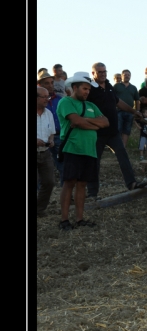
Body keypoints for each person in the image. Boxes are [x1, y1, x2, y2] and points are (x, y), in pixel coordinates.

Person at [86, 62, 147, 199]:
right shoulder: (90, 89)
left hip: (113, 132)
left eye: (104, 72)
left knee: (123, 156)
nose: (103, 74)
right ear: (93, 73)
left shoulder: (109, 86)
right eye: (100, 72)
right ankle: (92, 193)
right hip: (97, 132)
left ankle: (131, 183)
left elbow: (118, 102)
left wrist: (133, 111)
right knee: (94, 162)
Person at [57, 72, 110, 230]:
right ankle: (64, 220)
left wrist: (85, 121)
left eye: (89, 89)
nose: (87, 91)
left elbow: (106, 122)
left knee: (82, 184)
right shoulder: (66, 102)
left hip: (89, 150)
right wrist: (94, 124)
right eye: (84, 88)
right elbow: (77, 121)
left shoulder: (92, 106)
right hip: (72, 148)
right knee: (69, 183)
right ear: (75, 87)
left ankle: (80, 219)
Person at [38, 70, 64, 184]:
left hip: (56, 136)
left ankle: (66, 191)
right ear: (40, 85)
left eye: (51, 82)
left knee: (63, 164)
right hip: (41, 141)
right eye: (46, 83)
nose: (50, 85)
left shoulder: (60, 100)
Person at [37, 86, 56, 218]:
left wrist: (51, 140)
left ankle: (39, 208)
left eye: (48, 96)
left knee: (49, 182)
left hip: (45, 152)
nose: (47, 99)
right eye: (44, 97)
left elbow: (52, 133)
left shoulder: (48, 113)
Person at [113, 69, 140, 147]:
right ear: (121, 76)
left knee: (127, 130)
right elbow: (112, 98)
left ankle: (123, 147)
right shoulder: (116, 86)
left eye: (128, 75)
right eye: (125, 75)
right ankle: (116, 147)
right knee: (118, 129)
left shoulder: (133, 87)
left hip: (130, 112)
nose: (127, 76)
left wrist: (137, 111)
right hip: (118, 111)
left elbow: (137, 100)